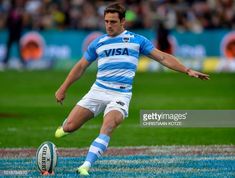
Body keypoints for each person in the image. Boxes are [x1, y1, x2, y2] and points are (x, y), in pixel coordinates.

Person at [54, 2, 209, 176]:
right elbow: (81, 66)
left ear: (123, 22)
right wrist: (63, 87)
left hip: (120, 94)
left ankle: (86, 165)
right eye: (106, 21)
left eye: (113, 21)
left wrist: (187, 70)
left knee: (109, 125)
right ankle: (65, 127)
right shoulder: (98, 43)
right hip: (97, 91)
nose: (109, 25)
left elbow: (163, 58)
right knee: (70, 127)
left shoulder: (137, 40)